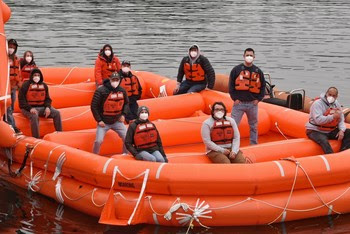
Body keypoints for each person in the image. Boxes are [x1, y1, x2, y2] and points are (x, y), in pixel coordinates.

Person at [229, 48, 266, 145]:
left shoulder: (258, 71)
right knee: (233, 125)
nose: (249, 57)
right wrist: (234, 99)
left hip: (252, 104)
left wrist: (258, 100)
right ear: (243, 56)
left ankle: (253, 143)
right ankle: (231, 144)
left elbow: (263, 86)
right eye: (247, 55)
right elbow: (231, 85)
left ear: (254, 57)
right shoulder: (236, 70)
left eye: (251, 55)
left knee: (253, 126)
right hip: (239, 104)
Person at [91, 72, 128, 154]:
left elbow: (126, 103)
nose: (115, 81)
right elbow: (94, 106)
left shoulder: (122, 91)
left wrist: (123, 115)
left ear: (119, 81)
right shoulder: (101, 91)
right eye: (113, 79)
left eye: (117, 80)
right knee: (98, 141)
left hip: (117, 121)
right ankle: (94, 155)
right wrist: (99, 120)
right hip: (104, 122)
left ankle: (125, 155)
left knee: (127, 138)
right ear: (110, 80)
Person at [18, 68, 62, 138]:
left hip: (42, 107)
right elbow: (21, 101)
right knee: (34, 116)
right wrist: (30, 108)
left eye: (38, 75)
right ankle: (36, 138)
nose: (36, 77)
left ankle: (60, 133)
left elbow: (48, 99)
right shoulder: (25, 86)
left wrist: (47, 107)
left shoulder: (44, 86)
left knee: (57, 113)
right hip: (28, 108)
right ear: (32, 76)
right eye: (35, 75)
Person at [306, 87, 350, 154]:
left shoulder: (336, 104)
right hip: (316, 130)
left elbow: (341, 119)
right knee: (324, 141)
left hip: (330, 130)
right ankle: (331, 158)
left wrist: (341, 130)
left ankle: (343, 153)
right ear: (326, 94)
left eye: (333, 95)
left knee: (348, 132)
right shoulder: (317, 104)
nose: (331, 97)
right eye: (330, 94)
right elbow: (318, 120)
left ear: (336, 96)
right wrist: (332, 117)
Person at [5, 39, 22, 133]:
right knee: (8, 108)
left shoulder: (16, 59)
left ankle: (10, 125)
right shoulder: (3, 58)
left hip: (13, 88)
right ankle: (12, 126)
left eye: (13, 47)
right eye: (10, 47)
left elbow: (18, 74)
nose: (11, 49)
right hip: (5, 88)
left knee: (11, 108)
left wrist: (19, 85)